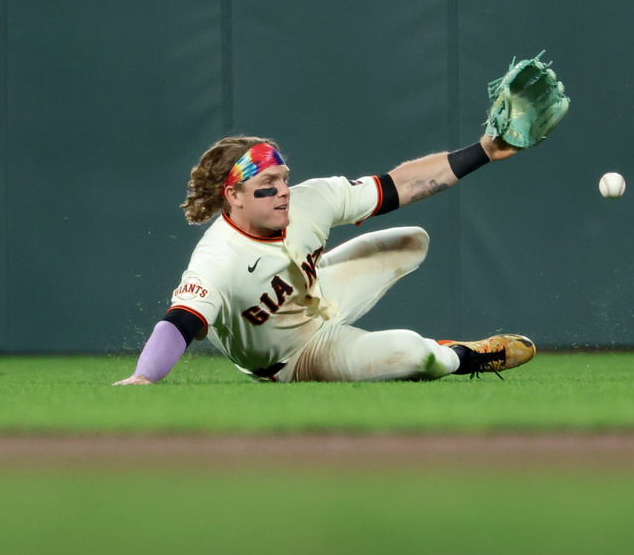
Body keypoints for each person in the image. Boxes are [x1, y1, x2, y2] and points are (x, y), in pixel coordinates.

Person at [114, 134, 536, 385]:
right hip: (296, 356)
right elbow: (180, 323)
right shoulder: (218, 257)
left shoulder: (310, 200)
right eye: (267, 183)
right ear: (233, 196)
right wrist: (144, 376)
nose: (283, 190)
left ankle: (318, 284)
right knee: (416, 354)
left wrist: (483, 150)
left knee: (412, 240)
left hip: (316, 296)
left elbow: (398, 185)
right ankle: (464, 355)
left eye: (283, 178)